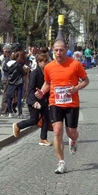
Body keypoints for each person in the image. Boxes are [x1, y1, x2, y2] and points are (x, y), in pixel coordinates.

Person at [35, 39, 89, 174]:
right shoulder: (49, 67)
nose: (58, 53)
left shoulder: (75, 65)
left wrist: (76, 88)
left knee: (72, 133)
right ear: (53, 51)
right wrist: (42, 92)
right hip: (55, 103)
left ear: (66, 50)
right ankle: (61, 163)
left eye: (61, 50)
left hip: (71, 103)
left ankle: (73, 140)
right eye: (56, 50)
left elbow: (86, 80)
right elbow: (48, 83)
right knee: (57, 131)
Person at [13, 53, 52, 146]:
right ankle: (18, 125)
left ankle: (43, 139)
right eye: (43, 61)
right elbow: (30, 89)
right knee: (34, 120)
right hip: (34, 100)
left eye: (47, 61)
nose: (46, 63)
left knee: (46, 119)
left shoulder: (47, 73)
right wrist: (34, 101)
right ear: (39, 62)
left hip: (44, 100)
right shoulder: (35, 73)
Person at [4, 51, 26, 118]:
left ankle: (10, 112)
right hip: (19, 82)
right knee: (19, 98)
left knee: (9, 97)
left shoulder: (7, 64)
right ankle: (20, 113)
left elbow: (4, 70)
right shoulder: (18, 65)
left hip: (11, 82)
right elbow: (23, 73)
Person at [0, 44, 12, 116]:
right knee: (6, 93)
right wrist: (1, 67)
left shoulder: (4, 57)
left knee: (7, 93)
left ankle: (6, 110)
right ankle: (4, 110)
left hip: (4, 77)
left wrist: (0, 67)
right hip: (6, 77)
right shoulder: (6, 58)